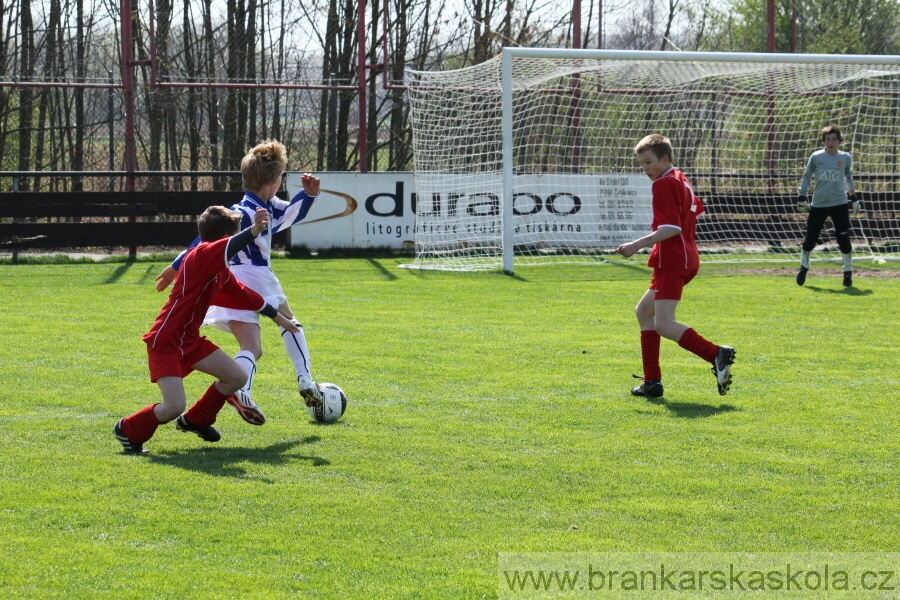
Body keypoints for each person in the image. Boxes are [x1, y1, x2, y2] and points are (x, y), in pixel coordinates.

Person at [154, 140, 323, 427]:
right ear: (273, 180)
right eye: (281, 176)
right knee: (290, 321)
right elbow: (293, 214)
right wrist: (309, 197)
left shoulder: (247, 209)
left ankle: (241, 390)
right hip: (256, 277)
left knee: (252, 348)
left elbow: (202, 243)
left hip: (228, 282)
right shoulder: (253, 213)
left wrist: (175, 266)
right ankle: (304, 377)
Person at [114, 206, 300, 453]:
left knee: (237, 377)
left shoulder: (220, 271)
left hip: (189, 340)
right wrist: (254, 231)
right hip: (167, 340)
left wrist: (278, 317)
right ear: (224, 239)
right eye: (233, 237)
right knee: (173, 407)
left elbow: (245, 295)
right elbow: (230, 245)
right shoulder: (199, 255)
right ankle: (127, 429)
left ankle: (196, 420)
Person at [615, 134, 735, 398]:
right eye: (642, 164)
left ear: (665, 158)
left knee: (664, 323)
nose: (645, 169)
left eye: (648, 163)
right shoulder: (680, 177)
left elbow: (671, 227)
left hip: (672, 260)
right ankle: (652, 382)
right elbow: (695, 213)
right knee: (644, 311)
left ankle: (716, 353)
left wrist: (637, 244)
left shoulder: (663, 184)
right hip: (684, 257)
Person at [796, 124, 857, 287]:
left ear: (839, 141)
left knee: (843, 239)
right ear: (824, 141)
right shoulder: (816, 157)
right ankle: (803, 267)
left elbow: (848, 177)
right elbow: (807, 177)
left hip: (840, 204)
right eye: (828, 139)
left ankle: (848, 272)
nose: (831, 142)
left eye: (834, 139)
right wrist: (802, 196)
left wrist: (854, 198)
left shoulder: (845, 157)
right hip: (819, 204)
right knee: (810, 240)